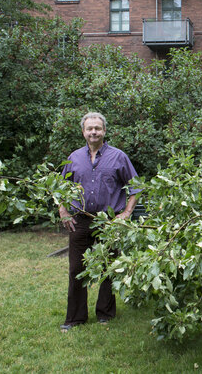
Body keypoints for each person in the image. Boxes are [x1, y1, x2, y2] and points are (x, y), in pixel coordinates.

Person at [58, 112, 140, 332]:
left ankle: (105, 313)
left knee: (107, 268)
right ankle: (75, 318)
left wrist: (126, 213)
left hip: (107, 222)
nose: (93, 132)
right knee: (76, 268)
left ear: (104, 131)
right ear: (83, 131)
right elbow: (61, 188)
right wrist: (63, 210)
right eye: (89, 128)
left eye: (97, 128)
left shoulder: (119, 157)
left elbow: (136, 187)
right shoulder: (74, 158)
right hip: (79, 221)